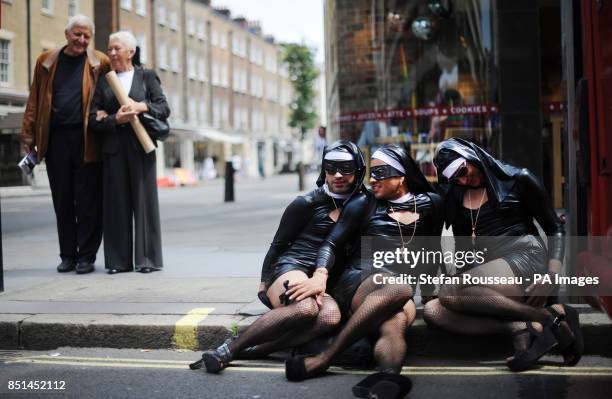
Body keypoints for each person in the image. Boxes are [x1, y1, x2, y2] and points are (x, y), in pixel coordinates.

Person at [193, 140, 367, 373]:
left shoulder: (365, 202)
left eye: (345, 168)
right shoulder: (305, 203)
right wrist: (264, 283)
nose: (337, 175)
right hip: (292, 266)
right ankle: (229, 350)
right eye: (330, 167)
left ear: (358, 170)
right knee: (306, 308)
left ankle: (255, 349)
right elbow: (278, 245)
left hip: (323, 277)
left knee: (330, 316)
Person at [284, 144, 444, 392]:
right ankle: (327, 356)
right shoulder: (364, 202)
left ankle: (388, 376)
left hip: (395, 290)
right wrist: (320, 274)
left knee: (396, 322)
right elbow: (331, 243)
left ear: (401, 175)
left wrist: (430, 291)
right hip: (359, 281)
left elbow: (431, 251)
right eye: (371, 173)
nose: (372, 179)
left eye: (380, 173)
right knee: (400, 287)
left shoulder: (432, 203)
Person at [424, 138, 582, 371]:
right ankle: (524, 323)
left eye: (463, 171)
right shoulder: (456, 193)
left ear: (473, 155)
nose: (463, 179)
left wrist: (552, 275)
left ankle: (544, 319)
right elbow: (462, 244)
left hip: (525, 257)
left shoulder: (519, 179)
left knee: (450, 292)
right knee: (432, 311)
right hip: (487, 277)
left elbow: (554, 227)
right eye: (455, 178)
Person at [21, 15, 110, 274]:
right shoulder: (46, 61)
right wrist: (29, 136)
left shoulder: (99, 62)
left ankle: (87, 256)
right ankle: (68, 255)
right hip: (56, 138)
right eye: (77, 34)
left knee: (87, 201)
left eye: (86, 36)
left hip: (87, 139)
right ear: (66, 33)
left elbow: (110, 94)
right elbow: (35, 99)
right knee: (62, 200)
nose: (81, 40)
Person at [88, 31, 170, 274]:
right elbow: (93, 118)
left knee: (144, 205)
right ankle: (117, 261)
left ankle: (147, 260)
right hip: (113, 150)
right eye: (110, 48)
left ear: (131, 52)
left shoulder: (146, 76)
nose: (111, 53)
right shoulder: (104, 81)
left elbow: (163, 107)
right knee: (115, 205)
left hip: (142, 147)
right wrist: (116, 118)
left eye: (116, 48)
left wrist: (140, 106)